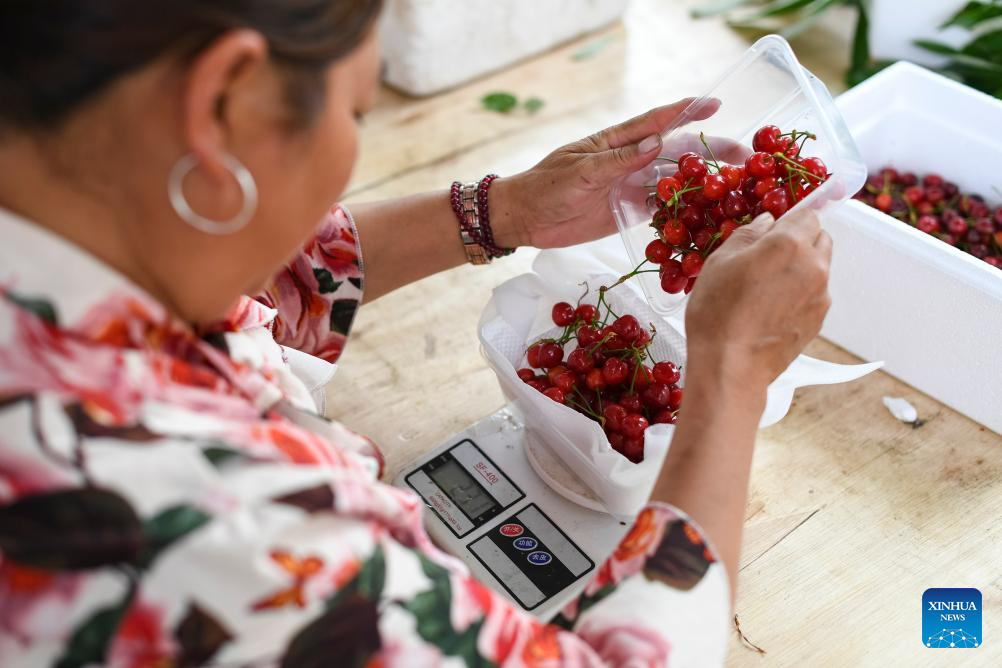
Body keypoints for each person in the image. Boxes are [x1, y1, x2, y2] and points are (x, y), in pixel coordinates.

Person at [0, 2, 831, 666]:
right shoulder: (239, 536)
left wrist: (496, 214)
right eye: (356, 110)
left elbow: (224, 298)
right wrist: (730, 374)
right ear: (224, 100)